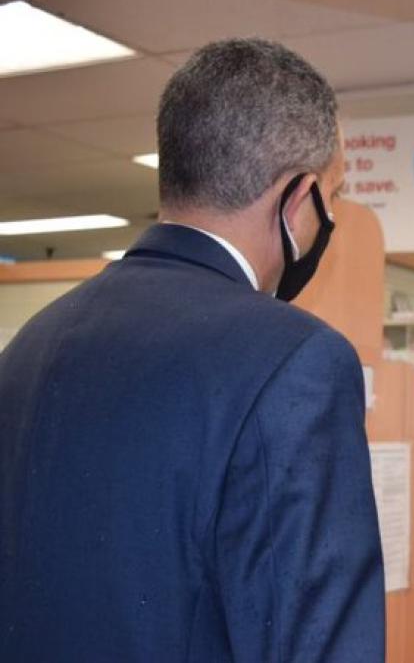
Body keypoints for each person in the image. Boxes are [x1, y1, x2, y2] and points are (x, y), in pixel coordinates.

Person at [0, 39, 385, 661]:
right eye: (332, 198)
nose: (328, 218)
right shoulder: (295, 362)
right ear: (298, 196)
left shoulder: (31, 345)